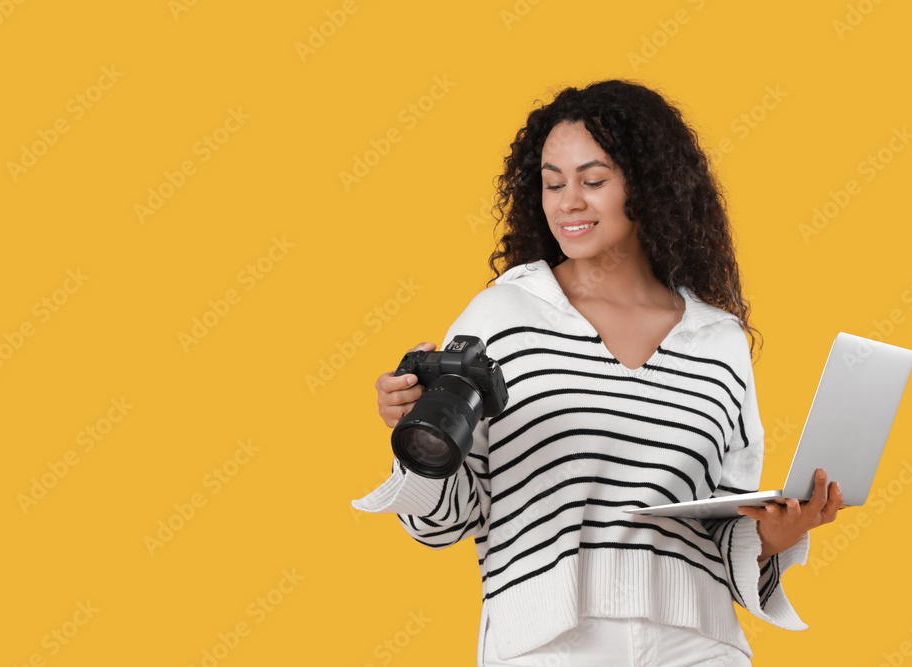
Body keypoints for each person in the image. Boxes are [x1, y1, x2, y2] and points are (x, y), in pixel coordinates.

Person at [352, 79, 844, 666]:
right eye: (553, 182)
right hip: (547, 644)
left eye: (593, 181)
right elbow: (442, 522)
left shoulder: (719, 342)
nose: (568, 203)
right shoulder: (504, 317)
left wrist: (776, 538)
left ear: (648, 188)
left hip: (697, 645)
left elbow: (727, 520)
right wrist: (418, 435)